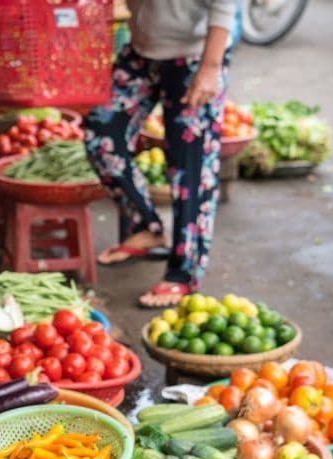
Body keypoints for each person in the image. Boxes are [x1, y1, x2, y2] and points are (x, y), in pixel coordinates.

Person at [84, 0, 238, 307]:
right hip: (141, 51)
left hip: (194, 56)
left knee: (189, 168)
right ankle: (148, 226)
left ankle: (184, 273)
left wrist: (210, 66)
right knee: (101, 136)